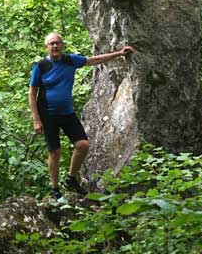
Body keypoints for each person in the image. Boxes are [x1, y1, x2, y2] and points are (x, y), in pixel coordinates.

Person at [28, 32, 135, 199]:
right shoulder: (41, 66)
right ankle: (55, 190)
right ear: (46, 47)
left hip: (67, 113)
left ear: (62, 45)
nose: (54, 46)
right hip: (48, 115)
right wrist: (36, 119)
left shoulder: (70, 60)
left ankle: (70, 179)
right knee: (55, 152)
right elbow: (32, 93)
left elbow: (93, 60)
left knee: (83, 145)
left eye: (57, 43)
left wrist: (119, 53)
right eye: (51, 44)